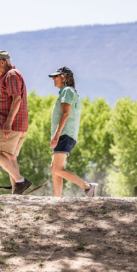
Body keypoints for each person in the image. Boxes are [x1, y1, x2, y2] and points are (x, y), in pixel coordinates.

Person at [0, 50, 33, 194]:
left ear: (2, 62)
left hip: (11, 125)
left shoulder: (11, 75)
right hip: (17, 124)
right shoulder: (9, 75)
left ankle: (20, 181)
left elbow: (16, 99)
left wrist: (8, 122)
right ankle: (16, 192)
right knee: (10, 156)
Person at [48, 66, 98, 197]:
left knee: (57, 168)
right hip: (66, 134)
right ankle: (57, 199)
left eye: (56, 76)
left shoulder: (67, 91)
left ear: (64, 77)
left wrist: (56, 135)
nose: (53, 79)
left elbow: (65, 114)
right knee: (55, 168)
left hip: (64, 134)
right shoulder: (70, 91)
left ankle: (88, 187)